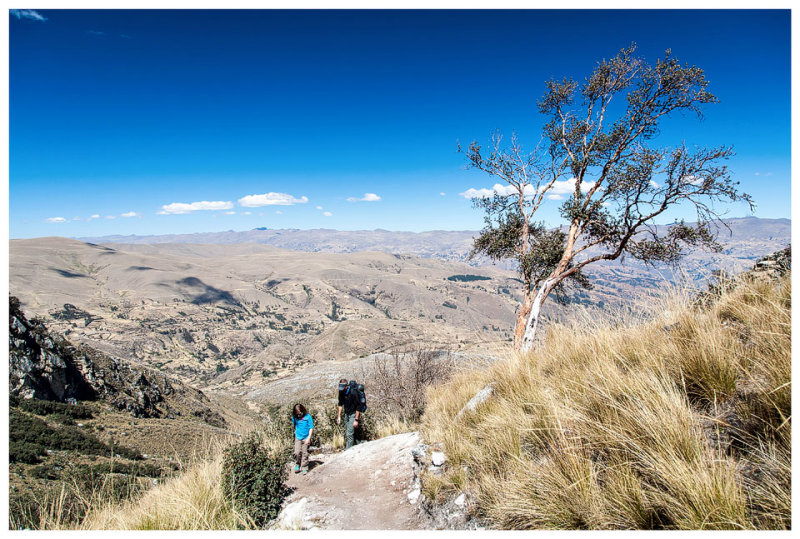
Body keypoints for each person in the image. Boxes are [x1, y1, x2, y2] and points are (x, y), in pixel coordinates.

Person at [336, 378, 360, 450]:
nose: (342, 389)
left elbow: (358, 407)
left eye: (343, 387)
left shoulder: (353, 392)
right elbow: (340, 404)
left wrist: (356, 419)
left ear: (347, 386)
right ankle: (358, 445)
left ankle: (348, 451)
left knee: (349, 433)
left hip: (353, 414)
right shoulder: (341, 392)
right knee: (349, 432)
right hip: (347, 413)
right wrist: (339, 416)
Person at [291, 403, 314, 474]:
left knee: (305, 453)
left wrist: (309, 438)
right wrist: (295, 432)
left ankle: (304, 467)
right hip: (298, 437)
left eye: (299, 412)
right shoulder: (294, 417)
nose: (298, 414)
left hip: (306, 437)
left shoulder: (308, 417)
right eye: (297, 413)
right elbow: (294, 425)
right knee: (297, 452)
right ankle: (297, 464)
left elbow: (311, 428)